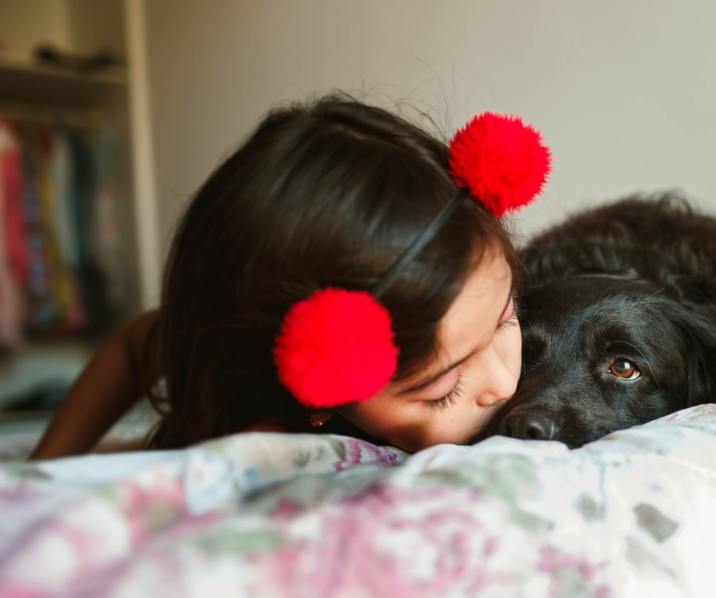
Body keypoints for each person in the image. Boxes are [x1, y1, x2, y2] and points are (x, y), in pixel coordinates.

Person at [29, 94, 550, 459]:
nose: (505, 383)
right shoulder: (262, 440)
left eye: (506, 319)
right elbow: (140, 344)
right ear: (315, 381)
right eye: (443, 387)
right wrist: (45, 469)